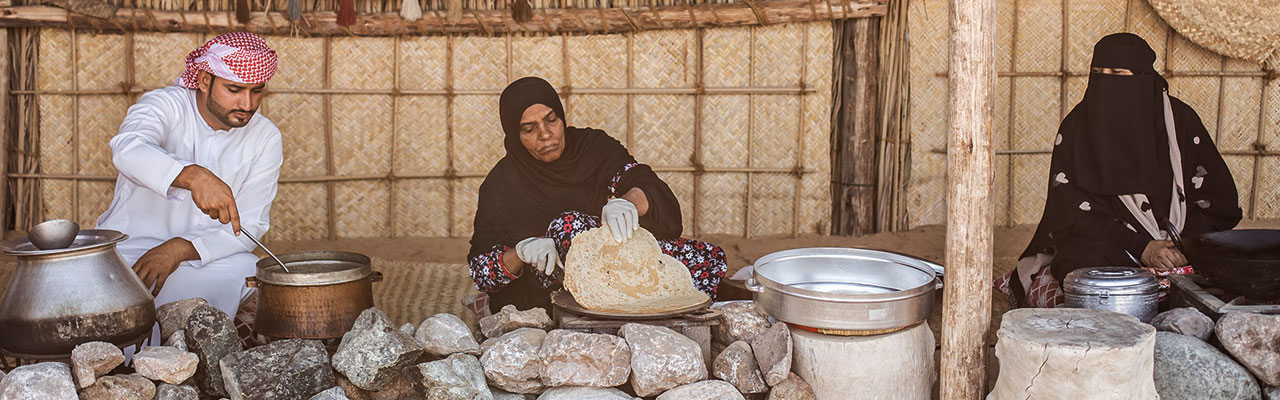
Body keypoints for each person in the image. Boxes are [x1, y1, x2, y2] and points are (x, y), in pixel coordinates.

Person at [996, 33, 1242, 308]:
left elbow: (1217, 201)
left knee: (1233, 258)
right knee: (1078, 261)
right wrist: (1142, 248)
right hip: (1114, 245)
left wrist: (1183, 246)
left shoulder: (1181, 123)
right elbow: (1068, 211)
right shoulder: (1078, 127)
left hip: (1182, 238)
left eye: (1119, 73)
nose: (1108, 83)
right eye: (1100, 73)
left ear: (1143, 77)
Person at [467, 77, 727, 314]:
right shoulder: (500, 185)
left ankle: (633, 299)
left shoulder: (592, 148)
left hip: (619, 269)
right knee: (568, 226)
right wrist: (523, 252)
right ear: (514, 133)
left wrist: (627, 203)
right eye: (529, 129)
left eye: (551, 119)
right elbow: (482, 271)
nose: (545, 134)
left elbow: (643, 182)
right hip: (547, 288)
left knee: (708, 259)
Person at [96, 32, 282, 325]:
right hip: (131, 251)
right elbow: (127, 149)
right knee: (109, 285)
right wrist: (191, 176)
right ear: (205, 81)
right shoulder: (164, 105)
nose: (247, 104)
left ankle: (184, 347)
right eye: (234, 89)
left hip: (200, 258)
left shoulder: (265, 136)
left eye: (256, 91)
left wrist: (179, 249)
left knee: (250, 269)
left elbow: (250, 225)